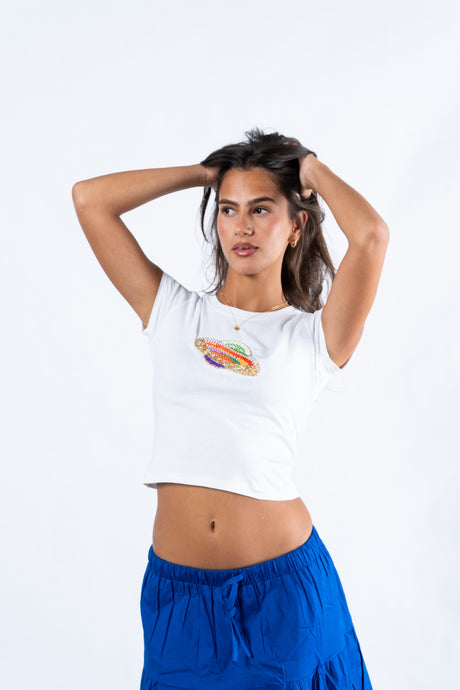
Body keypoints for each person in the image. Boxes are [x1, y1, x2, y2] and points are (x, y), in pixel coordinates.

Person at [72, 127, 389, 689]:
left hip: (282, 597)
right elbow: (89, 200)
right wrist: (204, 174)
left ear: (296, 227)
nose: (241, 226)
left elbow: (371, 236)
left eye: (261, 209)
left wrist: (308, 169)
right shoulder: (172, 312)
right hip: (179, 602)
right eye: (228, 209)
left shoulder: (313, 338)